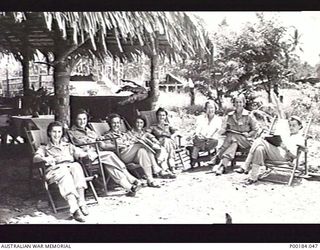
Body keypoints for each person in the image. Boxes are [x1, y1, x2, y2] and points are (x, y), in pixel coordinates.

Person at [68, 110, 142, 197]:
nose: (82, 121)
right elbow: (72, 146)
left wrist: (100, 139)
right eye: (79, 119)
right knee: (110, 155)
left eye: (84, 119)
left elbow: (99, 139)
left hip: (99, 155)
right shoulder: (71, 132)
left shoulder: (90, 131)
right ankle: (129, 176)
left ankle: (129, 187)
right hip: (88, 157)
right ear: (75, 120)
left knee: (110, 166)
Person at [33, 121, 89, 222]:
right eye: (54, 132)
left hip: (69, 169)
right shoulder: (44, 147)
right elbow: (35, 158)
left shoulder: (68, 146)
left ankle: (81, 202)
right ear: (49, 133)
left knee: (76, 165)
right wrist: (44, 159)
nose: (57, 135)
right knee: (64, 170)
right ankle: (74, 208)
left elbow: (81, 153)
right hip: (55, 172)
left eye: (59, 132)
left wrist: (87, 154)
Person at [238, 116, 305, 184]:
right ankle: (253, 177)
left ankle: (245, 166)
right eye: (290, 125)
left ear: (300, 126)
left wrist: (285, 149)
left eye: (294, 125)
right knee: (259, 149)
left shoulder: (300, 138)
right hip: (276, 154)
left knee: (259, 140)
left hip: (285, 158)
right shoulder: (286, 135)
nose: (291, 127)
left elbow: (295, 156)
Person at [103, 113, 161, 188]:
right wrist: (118, 145)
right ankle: (155, 166)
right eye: (113, 123)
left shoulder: (124, 134)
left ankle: (150, 179)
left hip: (131, 153)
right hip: (121, 156)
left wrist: (130, 142)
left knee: (142, 151)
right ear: (110, 124)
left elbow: (132, 140)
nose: (116, 125)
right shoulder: (108, 135)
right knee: (141, 144)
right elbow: (105, 146)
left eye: (118, 123)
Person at [210, 94, 259, 175]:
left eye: (240, 102)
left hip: (246, 141)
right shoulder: (230, 115)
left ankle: (217, 157)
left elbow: (256, 129)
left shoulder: (249, 115)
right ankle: (222, 166)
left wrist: (249, 134)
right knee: (234, 141)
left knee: (232, 136)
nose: (238, 104)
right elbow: (224, 128)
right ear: (234, 104)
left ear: (244, 103)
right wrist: (221, 131)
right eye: (236, 102)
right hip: (234, 141)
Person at [189, 100, 223, 167]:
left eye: (212, 108)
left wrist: (209, 137)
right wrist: (199, 134)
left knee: (215, 141)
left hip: (212, 140)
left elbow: (217, 131)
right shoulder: (201, 118)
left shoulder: (218, 119)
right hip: (202, 139)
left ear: (215, 109)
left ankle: (194, 157)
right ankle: (196, 156)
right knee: (197, 138)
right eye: (208, 108)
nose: (210, 110)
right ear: (205, 109)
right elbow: (198, 129)